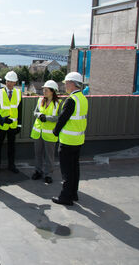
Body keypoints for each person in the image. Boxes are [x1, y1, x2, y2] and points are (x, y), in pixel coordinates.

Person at [52, 72, 88, 206]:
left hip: (68, 141)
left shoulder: (71, 100)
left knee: (66, 171)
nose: (65, 85)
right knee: (74, 169)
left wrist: (55, 132)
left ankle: (66, 197)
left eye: (66, 83)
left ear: (72, 83)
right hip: (78, 140)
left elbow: (62, 118)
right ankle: (73, 193)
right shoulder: (83, 99)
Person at [30, 80, 61, 184]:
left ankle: (48, 174)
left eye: (46, 90)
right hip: (38, 132)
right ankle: (38, 171)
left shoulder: (58, 103)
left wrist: (47, 118)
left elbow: (59, 117)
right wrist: (39, 115)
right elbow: (35, 112)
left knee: (49, 155)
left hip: (49, 134)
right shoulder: (40, 100)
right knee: (38, 154)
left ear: (53, 91)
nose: (44, 91)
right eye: (43, 89)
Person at [0, 71, 22, 174]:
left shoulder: (18, 93)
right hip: (1, 124)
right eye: (9, 81)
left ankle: (11, 165)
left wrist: (19, 125)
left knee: (12, 146)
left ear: (15, 83)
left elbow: (20, 109)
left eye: (12, 81)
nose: (10, 83)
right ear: (5, 81)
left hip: (13, 125)